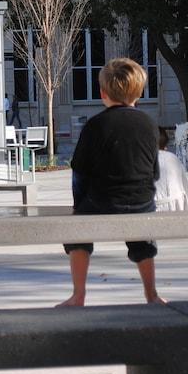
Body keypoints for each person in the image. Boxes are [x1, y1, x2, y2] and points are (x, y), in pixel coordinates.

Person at [59, 57, 165, 307]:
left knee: (76, 233)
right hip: (141, 203)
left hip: (101, 201)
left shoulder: (95, 125)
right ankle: (151, 294)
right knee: (143, 239)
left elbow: (80, 172)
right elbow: (154, 172)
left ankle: (78, 295)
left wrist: (80, 205)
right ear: (139, 92)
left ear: (102, 92)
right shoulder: (149, 124)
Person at [154, 129, 188, 211]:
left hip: (152, 208)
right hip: (177, 206)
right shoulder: (173, 158)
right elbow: (185, 187)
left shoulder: (144, 160)